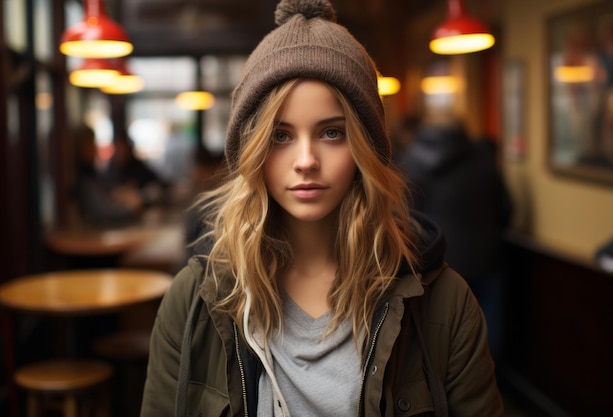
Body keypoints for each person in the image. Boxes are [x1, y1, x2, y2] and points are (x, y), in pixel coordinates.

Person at [141, 1, 504, 416]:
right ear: (252, 149)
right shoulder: (194, 302)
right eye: (280, 135)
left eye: (332, 132)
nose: (306, 160)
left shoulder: (444, 304)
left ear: (365, 148)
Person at [397, 119, 513, 364]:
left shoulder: (410, 164)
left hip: (436, 260)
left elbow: (405, 220)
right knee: (488, 319)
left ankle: (447, 383)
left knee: (440, 325)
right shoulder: (483, 162)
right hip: (485, 256)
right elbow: (506, 210)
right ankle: (487, 376)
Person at [73, 125, 142, 226]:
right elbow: (104, 212)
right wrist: (132, 208)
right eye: (90, 144)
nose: (94, 148)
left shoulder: (94, 174)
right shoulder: (84, 178)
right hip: (97, 233)